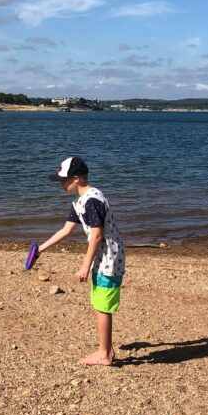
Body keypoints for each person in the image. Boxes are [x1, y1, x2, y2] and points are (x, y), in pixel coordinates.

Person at [37, 156, 125, 367]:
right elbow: (66, 230)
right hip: (102, 257)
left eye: (63, 180)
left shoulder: (93, 200)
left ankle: (104, 354)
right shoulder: (79, 201)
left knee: (102, 305)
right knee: (99, 302)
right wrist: (40, 249)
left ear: (76, 178)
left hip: (109, 258)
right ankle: (106, 349)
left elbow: (96, 235)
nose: (61, 184)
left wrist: (84, 266)